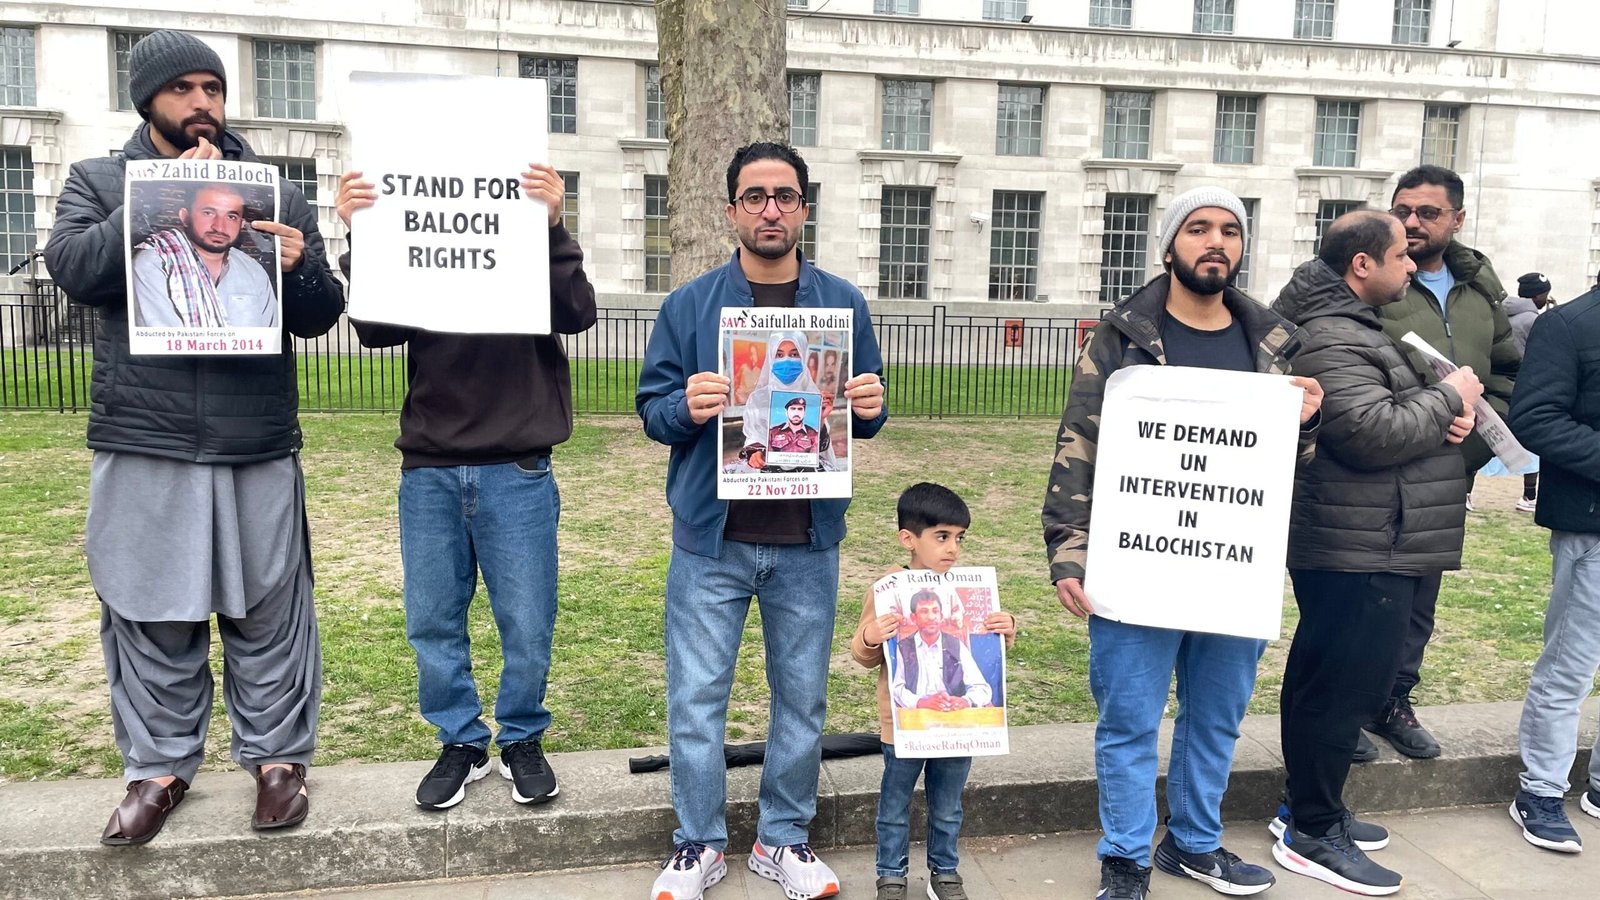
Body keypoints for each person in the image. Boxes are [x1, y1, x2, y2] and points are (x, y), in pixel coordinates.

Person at [42, 29, 344, 845]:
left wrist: (301, 263)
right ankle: (159, 767)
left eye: (211, 87)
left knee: (269, 604)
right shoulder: (99, 180)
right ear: (148, 100)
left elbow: (319, 312)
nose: (202, 103)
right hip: (147, 436)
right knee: (150, 606)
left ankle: (278, 762)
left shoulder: (270, 190)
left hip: (254, 437)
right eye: (182, 89)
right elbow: (70, 267)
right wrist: (149, 205)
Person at [1041, 186, 1323, 900]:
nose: (1216, 242)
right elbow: (1079, 442)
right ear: (1170, 246)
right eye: (1199, 228)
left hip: (1231, 567)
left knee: (1218, 715)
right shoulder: (1124, 335)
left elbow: (1284, 470)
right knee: (1130, 718)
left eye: (1230, 230)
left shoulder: (1273, 342)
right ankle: (1126, 857)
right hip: (1135, 563)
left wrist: (1306, 426)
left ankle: (1195, 843)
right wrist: (1069, 549)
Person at [637, 141, 886, 900]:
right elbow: (652, 410)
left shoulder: (841, 304)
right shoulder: (689, 306)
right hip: (713, 540)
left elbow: (859, 412)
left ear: (805, 208)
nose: (770, 209)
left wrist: (873, 408)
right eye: (755, 197)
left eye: (784, 196)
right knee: (696, 698)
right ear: (732, 211)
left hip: (807, 541)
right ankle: (699, 844)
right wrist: (688, 407)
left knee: (802, 699)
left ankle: (782, 838)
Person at [332, 164, 596, 810]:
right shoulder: (423, 240)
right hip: (431, 463)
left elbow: (577, 312)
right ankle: (460, 740)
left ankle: (523, 736)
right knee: (432, 617)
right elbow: (374, 329)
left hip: (518, 464)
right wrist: (362, 233)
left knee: (528, 618)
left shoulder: (528, 237)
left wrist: (554, 228)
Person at [1268, 209, 1479, 894]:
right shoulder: (1331, 333)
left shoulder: (1348, 327)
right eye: (1400, 256)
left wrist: (1439, 411)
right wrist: (1449, 394)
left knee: (1323, 680)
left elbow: (1380, 414)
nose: (1411, 266)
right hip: (1362, 544)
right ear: (1362, 265)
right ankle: (1314, 831)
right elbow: (1366, 432)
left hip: (1369, 537)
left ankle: (1306, 807)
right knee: (1343, 689)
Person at [1368, 164, 1520, 761]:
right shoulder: (1372, 281)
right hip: (1380, 468)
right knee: (1362, 598)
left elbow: (1506, 375)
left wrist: (1472, 446)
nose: (1411, 222)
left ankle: (1395, 701)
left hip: (1449, 473)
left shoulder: (1480, 292)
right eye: (1402, 209)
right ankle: (1348, 706)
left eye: (1427, 213)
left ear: (1457, 219)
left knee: (1417, 602)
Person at [852, 483, 1015, 900]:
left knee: (948, 806)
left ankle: (945, 872)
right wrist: (872, 636)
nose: (953, 549)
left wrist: (1003, 631)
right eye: (942, 537)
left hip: (956, 727)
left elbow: (983, 678)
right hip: (904, 727)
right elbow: (864, 654)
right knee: (894, 806)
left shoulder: (959, 627)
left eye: (959, 538)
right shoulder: (887, 588)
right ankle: (891, 874)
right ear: (908, 539)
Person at [1506, 279, 1600, 854]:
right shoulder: (1567, 324)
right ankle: (1539, 790)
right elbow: (1536, 418)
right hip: (1591, 525)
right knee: (1570, 664)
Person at [132, 182, 277, 328]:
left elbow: (269, 338)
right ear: (185, 216)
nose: (219, 227)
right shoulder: (154, 263)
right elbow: (159, 342)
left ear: (241, 223)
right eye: (208, 213)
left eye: (231, 216)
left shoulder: (253, 271)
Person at [889, 589, 994, 710]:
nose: (931, 617)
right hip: (919, 713)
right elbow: (897, 689)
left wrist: (966, 701)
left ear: (941, 616)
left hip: (952, 712)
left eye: (935, 611)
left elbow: (981, 687)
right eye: (924, 611)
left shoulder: (956, 645)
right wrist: (920, 702)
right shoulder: (904, 647)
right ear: (914, 618)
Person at [737, 331, 824, 470]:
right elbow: (753, 435)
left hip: (807, 480)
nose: (786, 361)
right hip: (769, 479)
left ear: (804, 356)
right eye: (779, 355)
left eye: (794, 354)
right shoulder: (759, 399)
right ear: (771, 358)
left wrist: (822, 420)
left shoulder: (814, 397)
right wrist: (755, 453)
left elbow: (822, 446)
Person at [1506, 272, 1552, 513]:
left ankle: (1468, 493)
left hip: (1503, 383)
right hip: (1526, 385)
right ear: (1538, 296)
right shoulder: (1533, 320)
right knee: (1535, 437)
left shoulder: (1507, 313)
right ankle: (1529, 496)